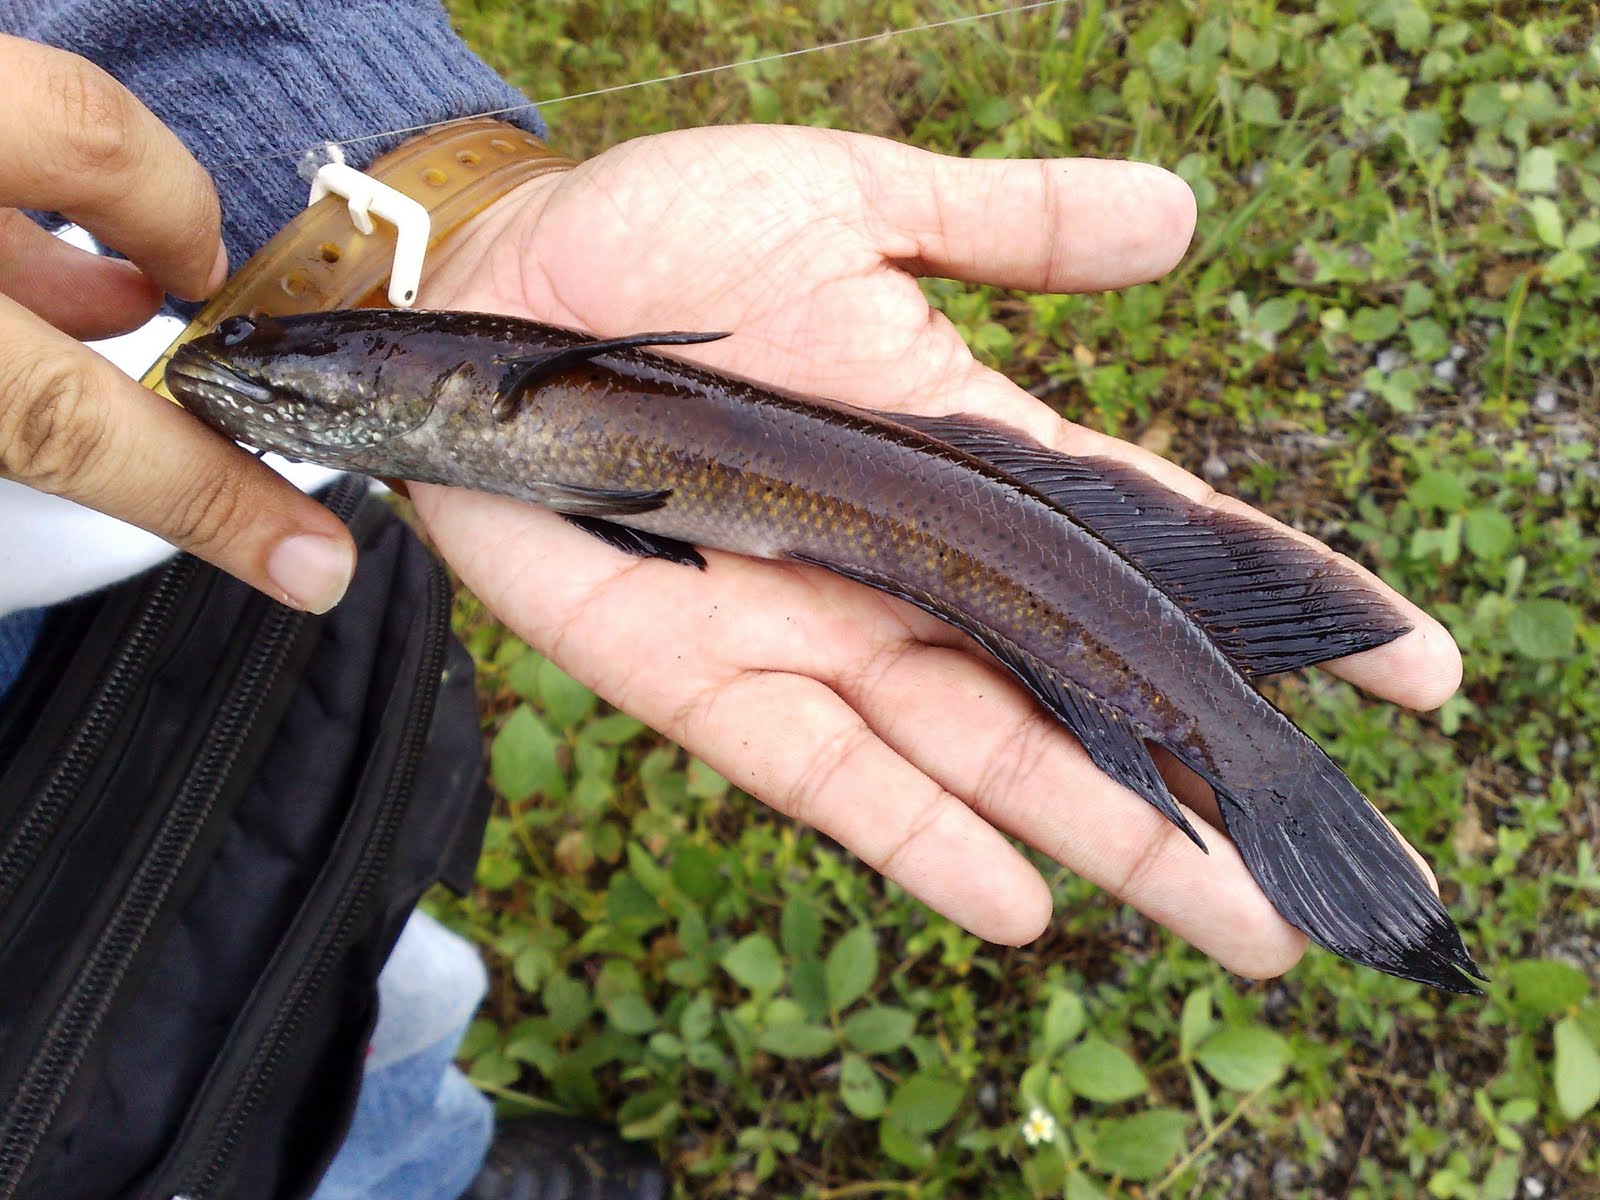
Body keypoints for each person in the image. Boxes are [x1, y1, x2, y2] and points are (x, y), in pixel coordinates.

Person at [0, 3, 1466, 1198]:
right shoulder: (472, 402)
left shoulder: (487, 394)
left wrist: (433, 197)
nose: (272, 398)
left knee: (321, 948)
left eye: (302, 387)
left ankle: (407, 1160)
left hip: (125, 593)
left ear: (470, 391)